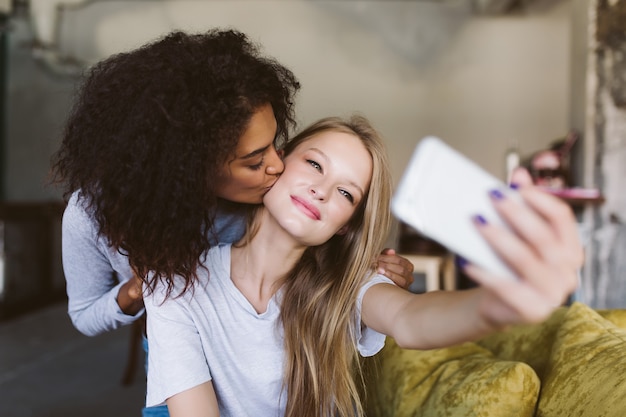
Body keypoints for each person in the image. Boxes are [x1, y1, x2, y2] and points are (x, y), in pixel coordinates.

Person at [49, 29, 414, 416]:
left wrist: (371, 271)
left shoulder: (263, 199)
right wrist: (139, 290)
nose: (277, 166)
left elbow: (321, 240)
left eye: (276, 144)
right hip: (171, 348)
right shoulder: (89, 216)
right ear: (189, 169)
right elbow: (85, 315)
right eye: (255, 162)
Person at [143, 115, 582, 417]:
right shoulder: (176, 283)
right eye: (314, 163)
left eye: (346, 193)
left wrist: (495, 304)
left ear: (343, 227)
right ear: (275, 165)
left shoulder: (345, 285)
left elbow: (410, 318)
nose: (320, 190)